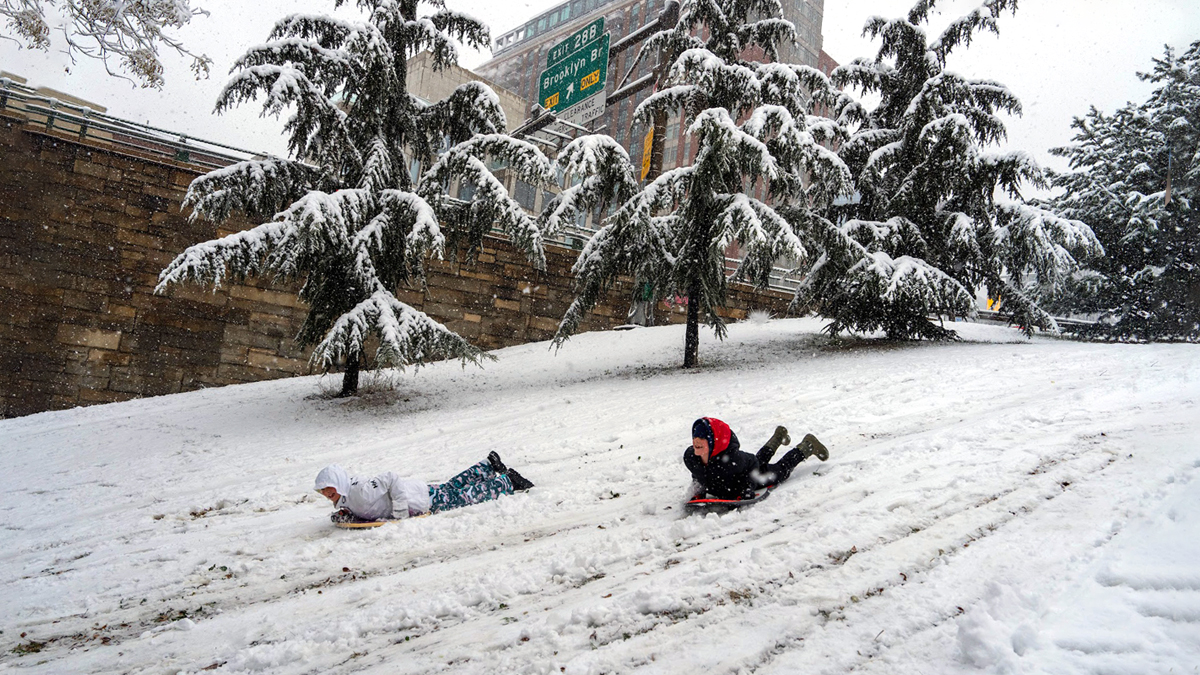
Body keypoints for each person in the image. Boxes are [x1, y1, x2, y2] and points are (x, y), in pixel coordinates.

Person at [314, 452, 534, 522]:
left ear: (339, 483)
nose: (326, 494)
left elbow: (391, 478)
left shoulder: (360, 491)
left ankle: (508, 481)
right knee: (451, 489)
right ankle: (487, 465)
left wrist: (400, 513)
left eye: (329, 489)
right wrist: (345, 514)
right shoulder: (346, 496)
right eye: (324, 491)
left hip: (417, 500)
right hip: (417, 493)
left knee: (465, 497)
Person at [684, 417, 828, 500]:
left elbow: (752, 463)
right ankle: (777, 438)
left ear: (714, 442)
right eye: (695, 437)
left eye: (702, 438)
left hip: (750, 477)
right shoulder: (691, 457)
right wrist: (698, 491)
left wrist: (747, 488)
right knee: (758, 460)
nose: (696, 441)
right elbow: (698, 472)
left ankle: (807, 446)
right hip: (741, 471)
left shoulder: (731, 459)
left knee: (780, 470)